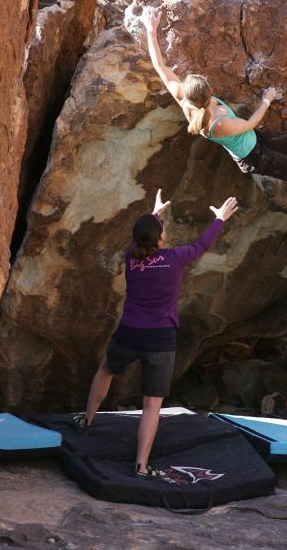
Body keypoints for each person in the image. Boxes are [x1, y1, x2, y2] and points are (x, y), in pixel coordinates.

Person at [141, 6, 287, 242]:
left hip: (257, 140)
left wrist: (151, 29)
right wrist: (266, 100)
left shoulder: (182, 96)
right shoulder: (219, 124)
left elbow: (160, 66)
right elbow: (250, 123)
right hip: (256, 157)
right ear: (209, 93)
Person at [73, 187, 238, 477]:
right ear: (161, 238)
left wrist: (154, 213)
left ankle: (87, 421)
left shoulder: (131, 259)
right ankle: (141, 466)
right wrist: (220, 218)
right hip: (160, 340)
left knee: (105, 371)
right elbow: (203, 245)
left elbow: (140, 238)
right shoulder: (175, 258)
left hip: (128, 334)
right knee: (152, 405)